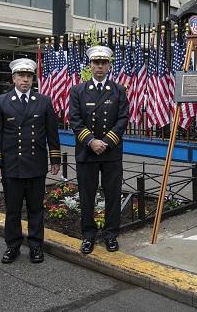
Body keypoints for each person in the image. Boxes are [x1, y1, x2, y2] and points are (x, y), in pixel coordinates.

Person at [0, 58, 61, 264]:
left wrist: (54, 158)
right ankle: (12, 246)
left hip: (36, 165)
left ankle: (36, 246)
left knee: (36, 209)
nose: (25, 80)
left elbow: (51, 133)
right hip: (12, 166)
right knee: (12, 210)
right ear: (13, 78)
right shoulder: (1, 102)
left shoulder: (43, 101)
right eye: (21, 76)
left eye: (29, 76)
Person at [69, 46, 128, 254]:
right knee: (87, 196)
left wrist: (107, 142)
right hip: (87, 152)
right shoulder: (78, 90)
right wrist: (92, 141)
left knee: (113, 195)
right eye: (96, 62)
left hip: (111, 153)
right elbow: (74, 120)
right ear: (90, 65)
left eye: (104, 63)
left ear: (109, 65)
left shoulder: (118, 90)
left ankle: (111, 235)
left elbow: (122, 119)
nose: (100, 66)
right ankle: (88, 235)